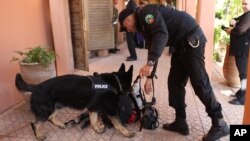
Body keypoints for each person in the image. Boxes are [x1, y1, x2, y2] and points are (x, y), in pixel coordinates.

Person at [119, 2, 229, 141]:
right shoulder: (143, 26)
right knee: (174, 82)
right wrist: (149, 77)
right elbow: (154, 46)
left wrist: (150, 63)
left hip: (191, 40)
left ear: (128, 19)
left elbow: (161, 34)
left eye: (125, 27)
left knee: (200, 82)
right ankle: (180, 122)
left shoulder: (145, 13)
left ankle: (220, 123)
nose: (127, 30)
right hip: (180, 45)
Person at [226, 0, 250, 105]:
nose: (243, 6)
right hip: (241, 48)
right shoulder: (246, 15)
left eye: (246, 4)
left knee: (243, 74)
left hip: (244, 49)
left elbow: (240, 29)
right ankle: (241, 92)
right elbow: (237, 21)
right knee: (243, 73)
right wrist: (234, 21)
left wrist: (231, 29)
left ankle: (243, 98)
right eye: (243, 3)